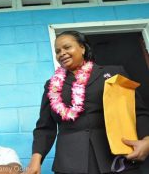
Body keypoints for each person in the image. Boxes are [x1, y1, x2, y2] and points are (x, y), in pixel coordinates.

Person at [26, 31, 149, 174]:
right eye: (58, 51)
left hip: (117, 157)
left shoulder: (114, 73)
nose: (62, 53)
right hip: (71, 163)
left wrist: (147, 140)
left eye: (67, 47)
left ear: (83, 48)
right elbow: (45, 127)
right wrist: (36, 159)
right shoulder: (51, 86)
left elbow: (137, 111)